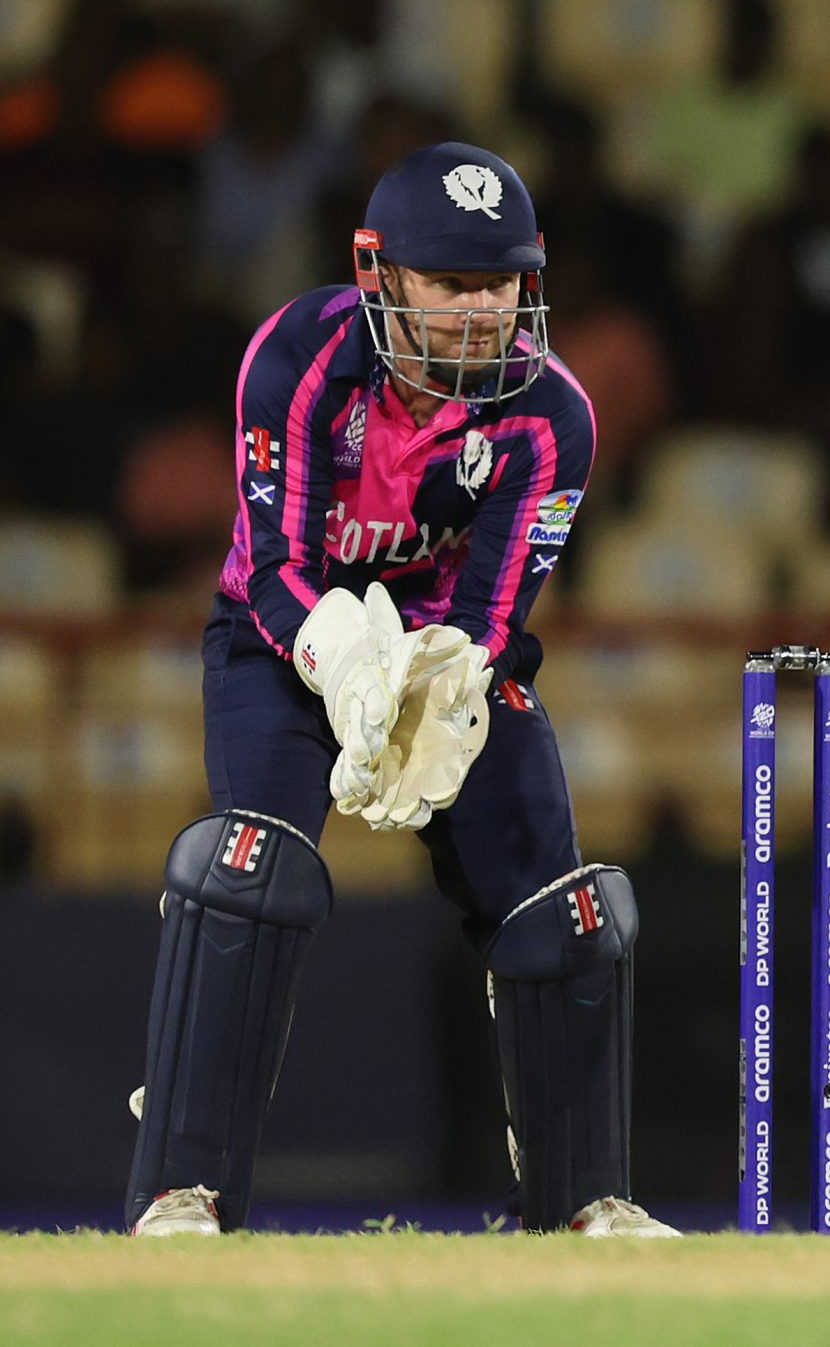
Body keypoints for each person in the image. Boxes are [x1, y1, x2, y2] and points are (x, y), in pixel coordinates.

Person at [124, 142, 675, 1238]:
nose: (481, 311)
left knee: (557, 900)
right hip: (286, 645)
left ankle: (577, 1204)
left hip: (436, 663)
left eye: (501, 282)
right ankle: (182, 1191)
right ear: (378, 274)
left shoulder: (551, 415)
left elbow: (491, 612)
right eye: (450, 283)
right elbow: (276, 562)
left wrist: (437, 686)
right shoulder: (298, 355)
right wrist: (339, 660)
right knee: (250, 870)